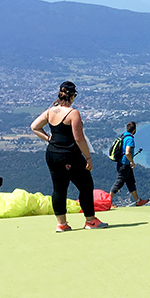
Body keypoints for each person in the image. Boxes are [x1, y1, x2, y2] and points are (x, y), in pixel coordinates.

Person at [30, 81, 107, 232]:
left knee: (59, 189)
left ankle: (61, 224)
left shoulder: (50, 111)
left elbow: (34, 127)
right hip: (70, 155)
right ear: (73, 96)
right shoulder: (73, 114)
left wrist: (49, 139)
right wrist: (88, 158)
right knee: (85, 185)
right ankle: (90, 220)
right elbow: (79, 139)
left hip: (52, 155)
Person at [109, 122, 149, 207]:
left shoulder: (123, 136)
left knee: (131, 182)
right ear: (134, 130)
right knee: (119, 182)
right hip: (124, 164)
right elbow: (127, 153)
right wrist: (132, 161)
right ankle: (108, 201)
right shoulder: (130, 139)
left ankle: (138, 201)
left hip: (122, 163)